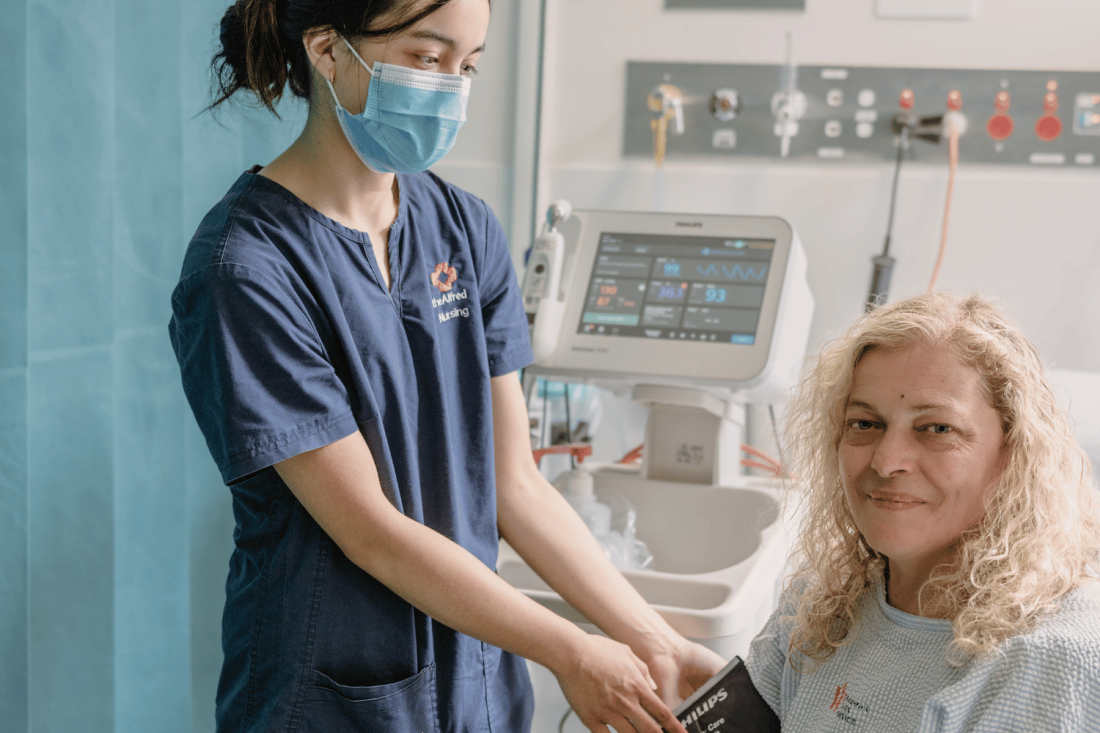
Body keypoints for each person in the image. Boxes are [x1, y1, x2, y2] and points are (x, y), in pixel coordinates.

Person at [169, 1, 725, 731]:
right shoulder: (245, 269)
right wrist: (570, 650)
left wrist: (656, 641)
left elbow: (514, 483)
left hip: (475, 681)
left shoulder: (463, 228)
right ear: (329, 52)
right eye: (428, 59)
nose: (452, 87)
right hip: (329, 690)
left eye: (468, 65)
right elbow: (369, 529)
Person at [746, 291, 1100, 732]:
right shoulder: (819, 602)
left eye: (936, 428)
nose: (886, 460)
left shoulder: (1052, 662)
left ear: (1016, 452)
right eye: (865, 424)